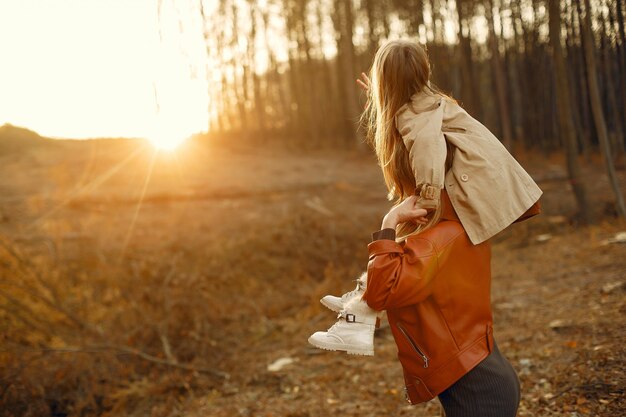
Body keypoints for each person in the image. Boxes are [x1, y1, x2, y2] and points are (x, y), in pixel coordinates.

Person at [308, 39, 542, 414]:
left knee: (397, 257)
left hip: (480, 395)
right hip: (487, 382)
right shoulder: (433, 108)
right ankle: (358, 311)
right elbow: (417, 118)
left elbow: (388, 287)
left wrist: (410, 208)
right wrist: (384, 93)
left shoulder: (442, 235)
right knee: (403, 254)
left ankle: (358, 315)